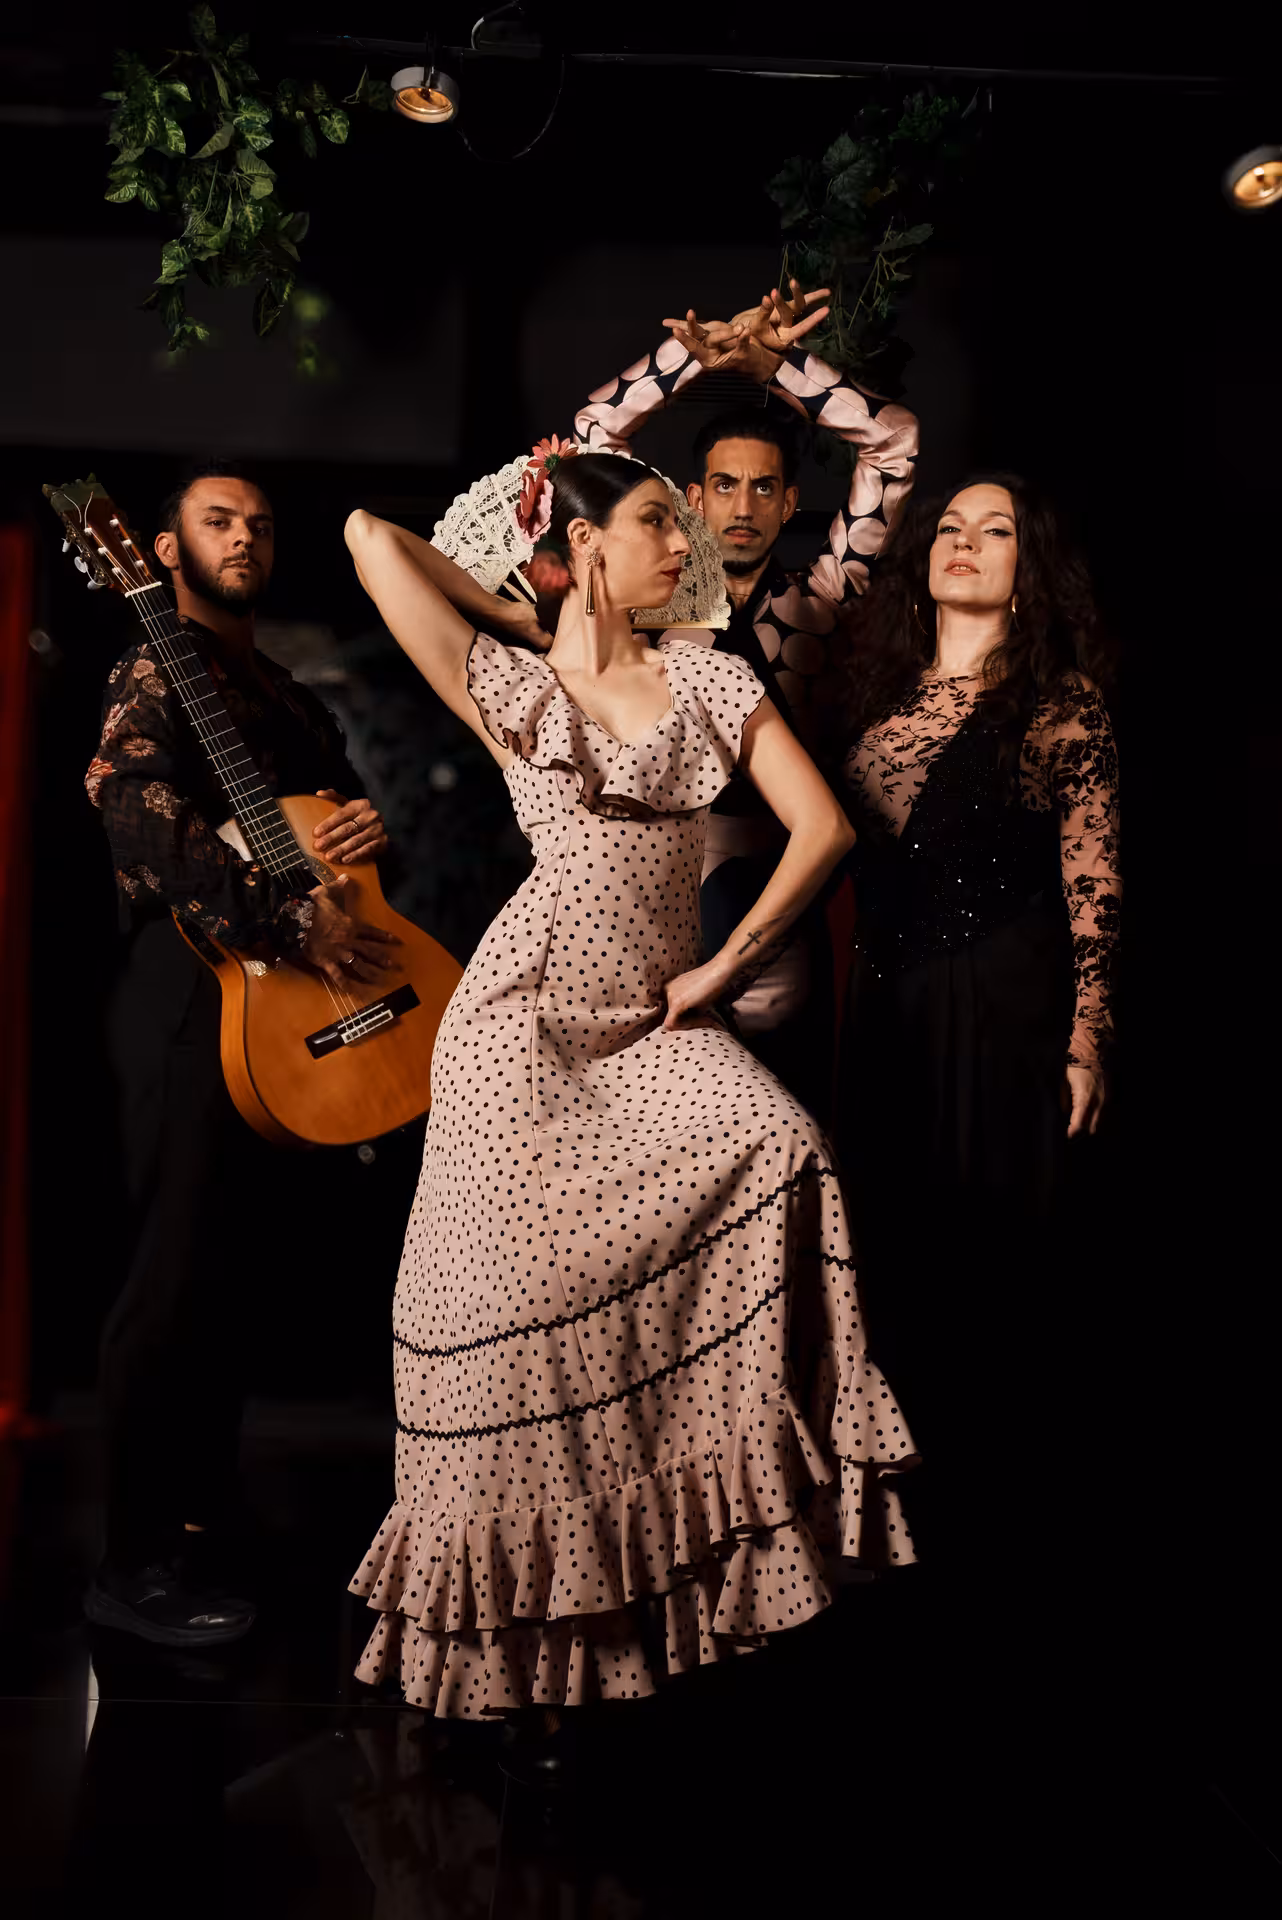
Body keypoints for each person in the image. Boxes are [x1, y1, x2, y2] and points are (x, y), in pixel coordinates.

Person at [344, 447, 918, 1717]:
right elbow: (368, 535)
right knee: (504, 1344)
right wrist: (524, 590)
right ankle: (519, 1667)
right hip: (520, 1031)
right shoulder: (509, 680)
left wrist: (724, 967)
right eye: (661, 522)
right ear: (589, 543)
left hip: (651, 1024)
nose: (689, 547)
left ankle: (715, 1567)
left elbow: (820, 832)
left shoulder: (708, 679)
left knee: (780, 1145)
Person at [83, 465, 396, 1645]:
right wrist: (277, 913)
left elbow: (337, 829)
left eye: (261, 522)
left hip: (279, 1008)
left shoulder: (284, 694)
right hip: (189, 996)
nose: (246, 536)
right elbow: (125, 801)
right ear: (162, 549)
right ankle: (128, 1562)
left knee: (230, 1280)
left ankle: (194, 1526)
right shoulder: (153, 667)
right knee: (170, 1281)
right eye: (219, 520)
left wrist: (360, 827)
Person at [834, 474, 1120, 1564]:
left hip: (1004, 994)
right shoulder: (876, 689)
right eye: (948, 528)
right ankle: (895, 1510)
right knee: (887, 1239)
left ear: (1028, 565)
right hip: (883, 992)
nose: (962, 544)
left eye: (993, 531)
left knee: (988, 1248)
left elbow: (1094, 879)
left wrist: (1088, 1037)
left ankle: (987, 1516)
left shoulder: (1061, 700)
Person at [572, 283, 919, 1120]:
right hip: (644, 894)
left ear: (792, 503)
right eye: (723, 486)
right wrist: (696, 355)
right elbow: (591, 440)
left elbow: (897, 447)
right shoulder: (648, 608)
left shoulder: (828, 596)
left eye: (765, 489)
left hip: (783, 896)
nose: (742, 506)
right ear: (692, 499)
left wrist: (777, 363)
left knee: (785, 1111)